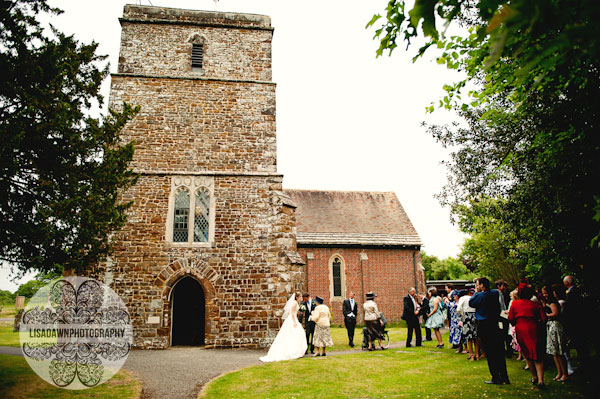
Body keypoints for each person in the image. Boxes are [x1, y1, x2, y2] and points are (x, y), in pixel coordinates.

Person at [469, 277, 510, 385]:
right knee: (499, 351)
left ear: (482, 285)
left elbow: (471, 303)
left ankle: (496, 377)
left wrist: (476, 292)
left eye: (478, 284)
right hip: (495, 323)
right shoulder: (495, 293)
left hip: (485, 325)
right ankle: (504, 376)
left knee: (491, 352)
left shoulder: (481, 295)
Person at [508, 283, 545, 388]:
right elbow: (543, 319)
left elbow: (511, 319)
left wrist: (516, 322)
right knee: (538, 353)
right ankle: (541, 379)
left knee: (527, 353)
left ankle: (534, 376)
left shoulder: (515, 304)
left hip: (521, 328)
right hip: (534, 328)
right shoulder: (536, 304)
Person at [259, 292, 308, 362]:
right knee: (296, 333)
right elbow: (292, 314)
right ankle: (293, 351)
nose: (301, 298)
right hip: (292, 319)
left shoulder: (296, 303)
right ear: (297, 297)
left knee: (298, 334)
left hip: (292, 319)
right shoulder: (294, 303)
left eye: (301, 297)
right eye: (300, 297)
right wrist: (294, 322)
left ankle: (296, 350)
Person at [562, 275, 589, 374]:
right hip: (578, 322)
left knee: (580, 344)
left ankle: (584, 364)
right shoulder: (575, 291)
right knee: (580, 344)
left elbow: (572, 309)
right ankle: (583, 362)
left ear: (567, 283)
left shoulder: (573, 293)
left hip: (576, 322)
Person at [542, 285, 568, 382]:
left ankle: (564, 373)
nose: (544, 295)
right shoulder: (547, 302)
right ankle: (559, 372)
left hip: (555, 326)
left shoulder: (553, 303)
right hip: (550, 326)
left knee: (559, 351)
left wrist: (546, 315)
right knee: (554, 352)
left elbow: (555, 313)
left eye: (545, 293)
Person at [457, 288, 479, 360]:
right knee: (476, 336)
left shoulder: (462, 298)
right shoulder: (473, 297)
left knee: (469, 336)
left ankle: (471, 355)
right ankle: (477, 354)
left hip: (467, 316)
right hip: (475, 315)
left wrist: (462, 314)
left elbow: (458, 309)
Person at [495, 280, 513, 358]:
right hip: (499, 315)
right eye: (503, 286)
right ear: (499, 286)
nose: (505, 287)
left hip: (505, 315)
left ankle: (509, 350)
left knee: (507, 332)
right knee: (500, 333)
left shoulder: (505, 294)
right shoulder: (495, 294)